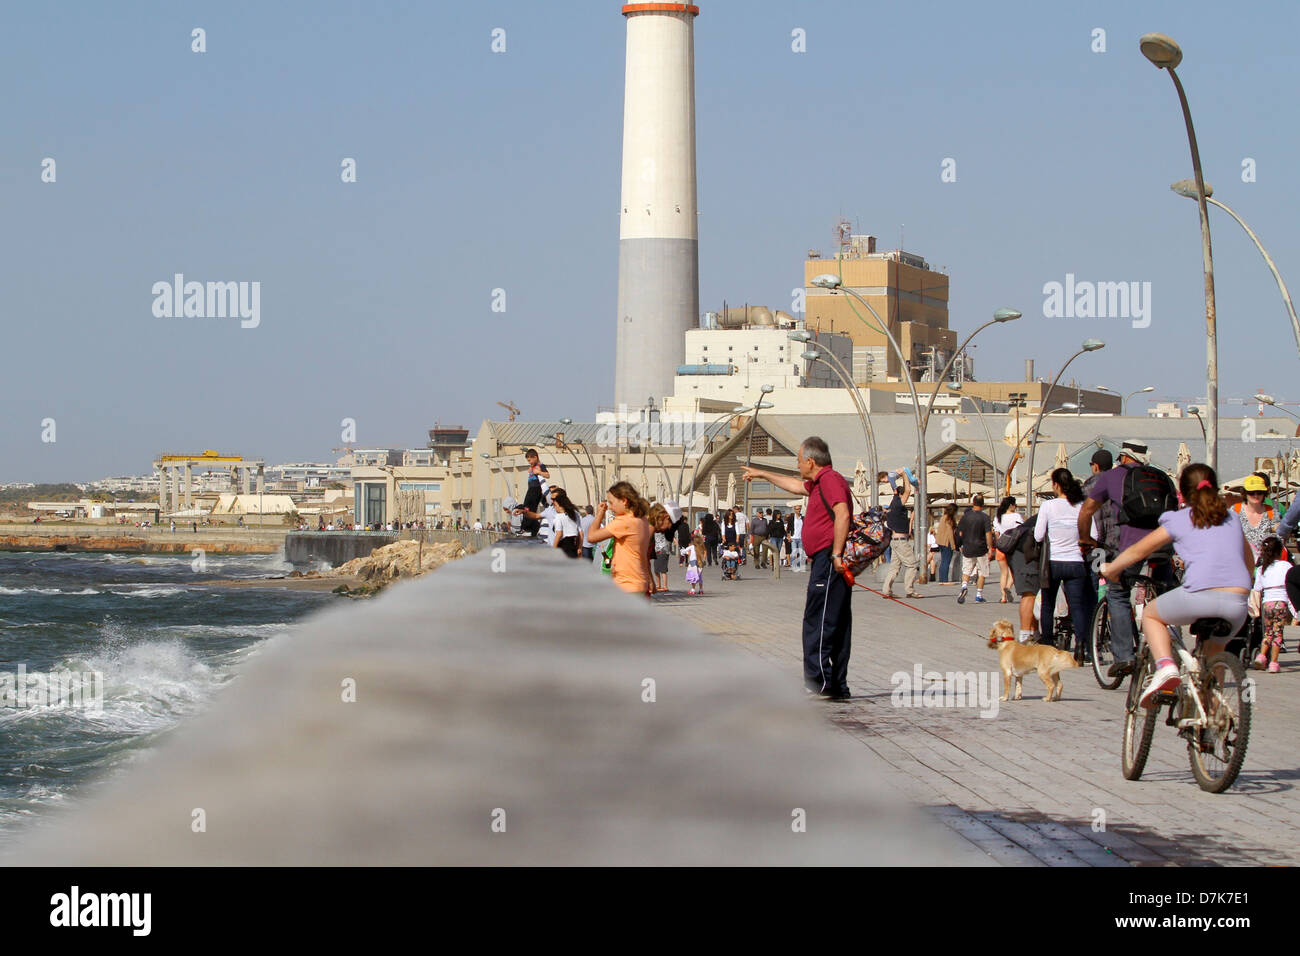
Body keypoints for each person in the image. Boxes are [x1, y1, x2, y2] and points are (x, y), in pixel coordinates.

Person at [1100, 464, 1253, 709]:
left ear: (1181, 492)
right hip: (1238, 603)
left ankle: (1166, 668)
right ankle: (1213, 718)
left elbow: (1140, 549)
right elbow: (1249, 561)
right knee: (1214, 655)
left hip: (1199, 596)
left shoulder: (1180, 518)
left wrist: (1112, 568)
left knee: (1151, 615)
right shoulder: (1232, 517)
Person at [742, 436, 852, 701]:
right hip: (827, 559)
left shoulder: (831, 481)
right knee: (834, 620)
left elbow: (843, 514)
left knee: (819, 619)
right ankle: (835, 684)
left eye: (799, 461)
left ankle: (820, 682)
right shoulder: (819, 483)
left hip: (829, 559)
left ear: (811, 462)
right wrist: (764, 474)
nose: (798, 465)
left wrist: (836, 554)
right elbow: (794, 485)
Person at [1078, 440, 1178, 679]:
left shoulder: (1112, 477)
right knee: (1166, 595)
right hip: (1163, 545)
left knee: (1118, 592)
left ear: (1123, 457)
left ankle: (1125, 657)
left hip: (1130, 548)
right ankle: (1171, 651)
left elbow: (1087, 510)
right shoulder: (1163, 477)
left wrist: (1084, 539)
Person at [1034, 469, 1097, 652]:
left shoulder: (1048, 506)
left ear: (1056, 485)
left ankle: (1047, 644)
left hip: (1052, 563)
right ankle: (1081, 645)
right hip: (1076, 563)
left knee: (1048, 605)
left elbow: (1038, 536)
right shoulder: (1081, 506)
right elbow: (1094, 535)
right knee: (1077, 606)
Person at [584, 481, 653, 597]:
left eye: (611, 503)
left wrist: (600, 514)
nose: (610, 507)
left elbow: (591, 537)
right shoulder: (642, 520)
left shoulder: (624, 522)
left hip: (626, 585)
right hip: (638, 582)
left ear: (624, 501)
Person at [1251, 535, 1291, 672]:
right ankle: (1273, 663)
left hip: (1267, 602)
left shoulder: (1262, 568)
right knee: (1278, 633)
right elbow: (1290, 586)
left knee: (1267, 632)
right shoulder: (1286, 566)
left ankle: (1262, 656)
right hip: (1281, 602)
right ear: (1280, 551)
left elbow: (1257, 589)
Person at [882, 467, 921, 599]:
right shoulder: (898, 503)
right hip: (901, 542)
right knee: (912, 565)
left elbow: (904, 490)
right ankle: (910, 590)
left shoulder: (893, 503)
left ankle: (886, 591)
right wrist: (904, 474)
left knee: (894, 567)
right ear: (900, 494)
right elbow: (908, 490)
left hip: (894, 542)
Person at [955, 494, 994, 604]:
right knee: (982, 572)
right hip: (981, 548)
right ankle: (979, 595)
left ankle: (964, 587)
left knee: (966, 570)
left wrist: (960, 544)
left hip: (968, 547)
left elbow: (960, 532)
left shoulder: (965, 517)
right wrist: (990, 547)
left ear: (973, 503)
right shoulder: (985, 517)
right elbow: (988, 534)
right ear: (983, 504)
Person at [1233, 474, 1278, 558]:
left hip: (1265, 562)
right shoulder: (1235, 510)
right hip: (1241, 559)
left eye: (1259, 492)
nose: (1256, 495)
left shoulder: (1271, 512)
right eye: (1251, 492)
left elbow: (1279, 538)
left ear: (1264, 493)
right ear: (1245, 493)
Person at [992, 496, 1023, 604]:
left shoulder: (998, 517)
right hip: (1013, 548)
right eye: (1015, 505)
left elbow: (996, 534)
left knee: (1003, 573)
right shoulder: (1016, 516)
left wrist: (998, 544)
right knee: (1013, 572)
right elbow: (1021, 530)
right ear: (1011, 505)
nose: (1016, 507)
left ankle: (1003, 597)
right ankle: (1008, 587)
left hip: (1001, 547)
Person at [550, 489, 584, 559]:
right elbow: (581, 534)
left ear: (559, 500)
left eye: (553, 499)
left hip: (562, 549)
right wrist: (579, 548)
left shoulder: (559, 517)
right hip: (573, 548)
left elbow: (559, 535)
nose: (552, 502)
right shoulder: (575, 514)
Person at [648, 503, 674, 591]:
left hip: (662, 550)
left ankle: (664, 586)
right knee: (657, 569)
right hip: (658, 550)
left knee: (662, 569)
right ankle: (659, 585)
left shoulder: (662, 530)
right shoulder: (652, 531)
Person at [932, 503, 957, 585]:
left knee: (943, 561)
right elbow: (950, 533)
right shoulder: (948, 519)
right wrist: (953, 545)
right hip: (947, 542)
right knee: (946, 561)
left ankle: (941, 579)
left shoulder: (943, 517)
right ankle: (944, 580)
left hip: (940, 542)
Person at [790, 505, 806, 572]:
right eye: (797, 509)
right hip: (793, 537)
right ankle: (793, 566)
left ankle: (799, 566)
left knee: (800, 553)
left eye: (799, 509)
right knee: (794, 552)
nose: (798, 510)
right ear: (794, 510)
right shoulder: (792, 518)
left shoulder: (803, 518)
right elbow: (788, 528)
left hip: (800, 537)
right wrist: (788, 537)